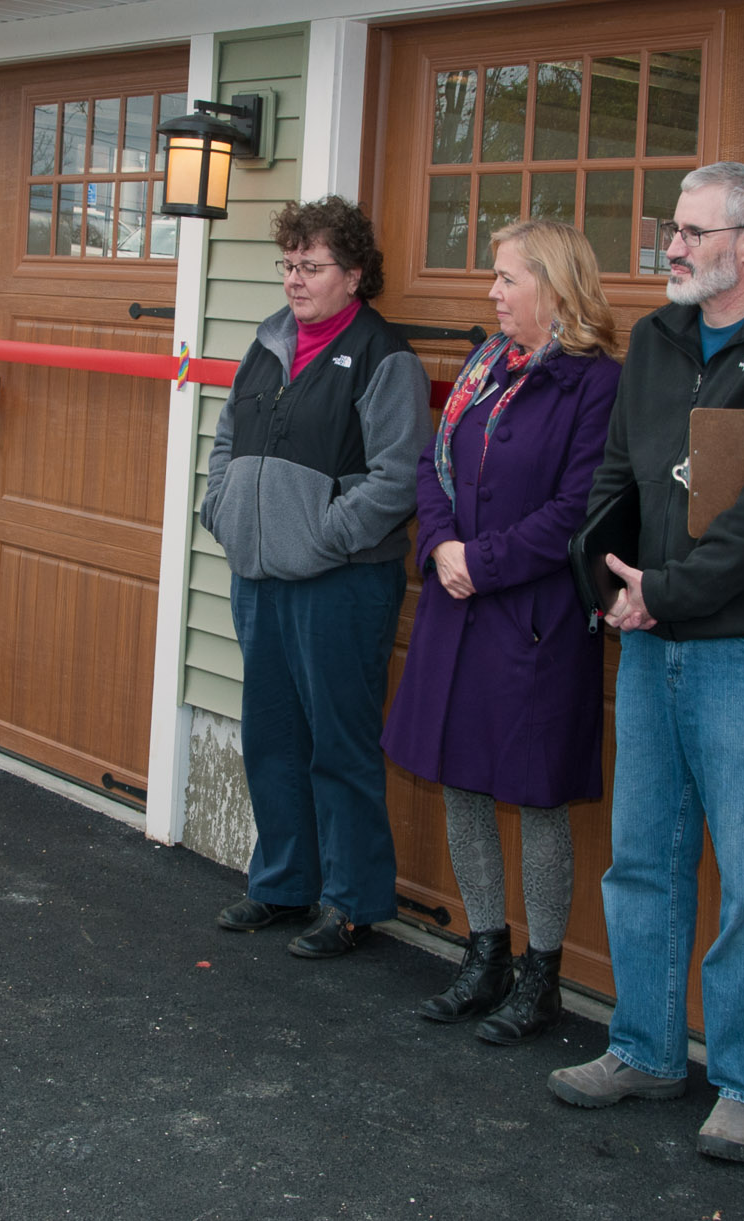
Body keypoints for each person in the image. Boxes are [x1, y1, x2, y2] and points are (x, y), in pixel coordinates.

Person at [547, 162, 744, 1163]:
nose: (668, 246)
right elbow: (614, 471)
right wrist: (606, 578)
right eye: (668, 228)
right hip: (647, 640)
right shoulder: (656, 339)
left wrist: (666, 591)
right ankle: (641, 1048)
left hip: (742, 648)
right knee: (641, 858)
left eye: (688, 230)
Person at [382, 220, 620, 1045]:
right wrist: (441, 544)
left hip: (534, 621)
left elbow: (579, 508)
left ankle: (541, 976)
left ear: (554, 287)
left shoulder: (597, 384)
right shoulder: (486, 367)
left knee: (537, 795)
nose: (492, 292)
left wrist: (479, 560)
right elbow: (431, 462)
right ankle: (483, 953)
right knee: (462, 780)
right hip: (458, 606)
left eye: (507, 277)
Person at [198, 195, 432, 958]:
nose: (296, 280)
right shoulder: (268, 342)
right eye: (289, 264)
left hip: (341, 583)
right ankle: (282, 883)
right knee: (272, 735)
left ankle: (354, 900)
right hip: (259, 574)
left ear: (354, 274)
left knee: (340, 743)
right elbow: (228, 437)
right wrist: (223, 508)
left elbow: (397, 478)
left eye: (313, 266)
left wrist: (321, 536)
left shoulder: (383, 356)